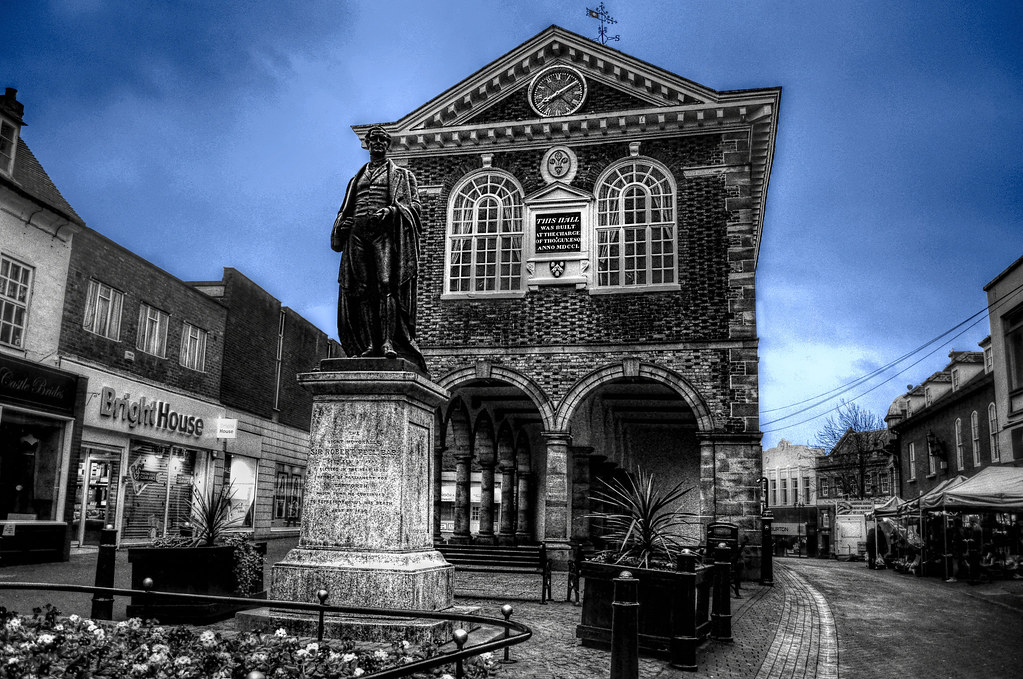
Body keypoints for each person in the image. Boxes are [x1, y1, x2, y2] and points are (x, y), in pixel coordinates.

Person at [331, 125, 427, 372]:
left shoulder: (402, 176)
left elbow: (415, 208)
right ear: (367, 144)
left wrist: (392, 211)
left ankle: (387, 342)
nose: (378, 144)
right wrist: (344, 224)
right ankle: (370, 344)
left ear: (388, 145)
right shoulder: (357, 178)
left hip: (383, 233)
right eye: (373, 140)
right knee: (362, 290)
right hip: (357, 234)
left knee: (386, 285)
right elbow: (345, 209)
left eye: (383, 141)